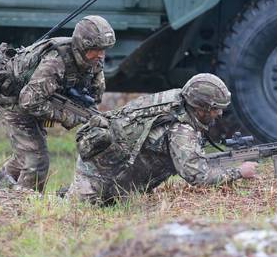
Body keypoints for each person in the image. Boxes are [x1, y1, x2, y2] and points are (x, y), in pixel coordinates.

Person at [66, 73, 258, 204]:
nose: (219, 114)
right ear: (201, 108)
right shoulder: (181, 131)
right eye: (216, 108)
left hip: (118, 172)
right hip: (100, 174)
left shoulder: (178, 99)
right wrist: (239, 172)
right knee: (75, 208)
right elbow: (198, 176)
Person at [0, 15, 116, 191]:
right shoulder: (56, 61)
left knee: (25, 156)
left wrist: (87, 114)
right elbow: (28, 101)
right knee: (36, 160)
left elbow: (93, 97)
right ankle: (25, 205)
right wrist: (66, 116)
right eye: (97, 49)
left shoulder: (93, 62)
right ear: (83, 45)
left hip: (39, 98)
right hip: (12, 99)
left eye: (104, 49)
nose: (101, 54)